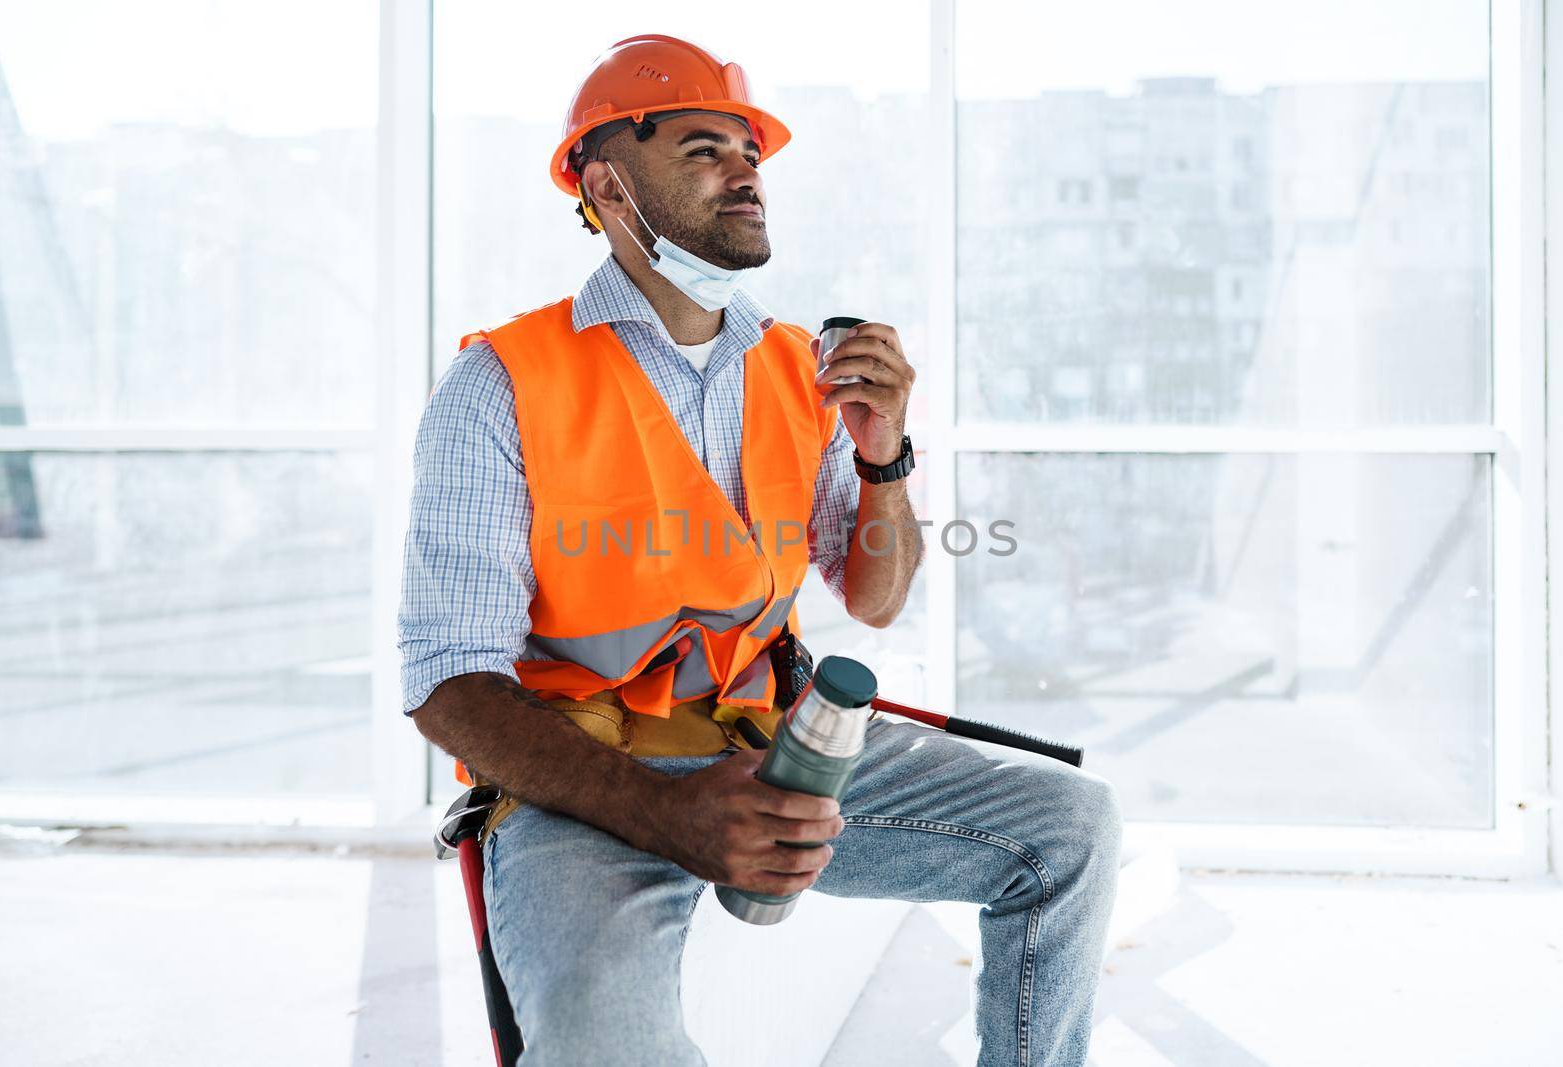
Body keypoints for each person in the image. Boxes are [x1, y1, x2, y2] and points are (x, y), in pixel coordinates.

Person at [399, 33, 1123, 1067]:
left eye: (749, 152)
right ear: (607, 184)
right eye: (703, 149)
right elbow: (446, 682)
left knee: (1072, 828)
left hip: (772, 744)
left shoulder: (796, 368)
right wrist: (663, 811)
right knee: (608, 1045)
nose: (745, 172)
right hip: (583, 776)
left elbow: (871, 597)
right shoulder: (501, 385)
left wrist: (883, 459)